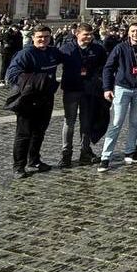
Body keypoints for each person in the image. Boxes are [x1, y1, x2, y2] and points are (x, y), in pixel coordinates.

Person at [98, 22, 137, 172]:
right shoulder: (120, 48)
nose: (136, 34)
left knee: (135, 122)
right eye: (133, 31)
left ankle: (130, 152)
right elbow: (108, 68)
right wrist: (107, 88)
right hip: (122, 88)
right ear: (128, 33)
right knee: (116, 123)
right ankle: (105, 157)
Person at [5, 25, 64, 179]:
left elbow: (69, 58)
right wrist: (36, 81)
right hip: (28, 98)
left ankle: (34, 160)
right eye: (40, 37)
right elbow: (11, 75)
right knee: (24, 133)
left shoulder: (53, 52)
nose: (43, 39)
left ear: (50, 38)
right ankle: (18, 166)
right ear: (33, 38)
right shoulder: (25, 53)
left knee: (39, 131)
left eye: (46, 37)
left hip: (46, 97)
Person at [57, 23, 107, 167]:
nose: (89, 37)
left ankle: (85, 151)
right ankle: (66, 153)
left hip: (89, 90)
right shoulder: (66, 49)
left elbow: (104, 67)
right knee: (69, 122)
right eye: (86, 34)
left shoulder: (98, 49)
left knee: (86, 122)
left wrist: (99, 82)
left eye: (91, 34)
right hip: (71, 89)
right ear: (77, 34)